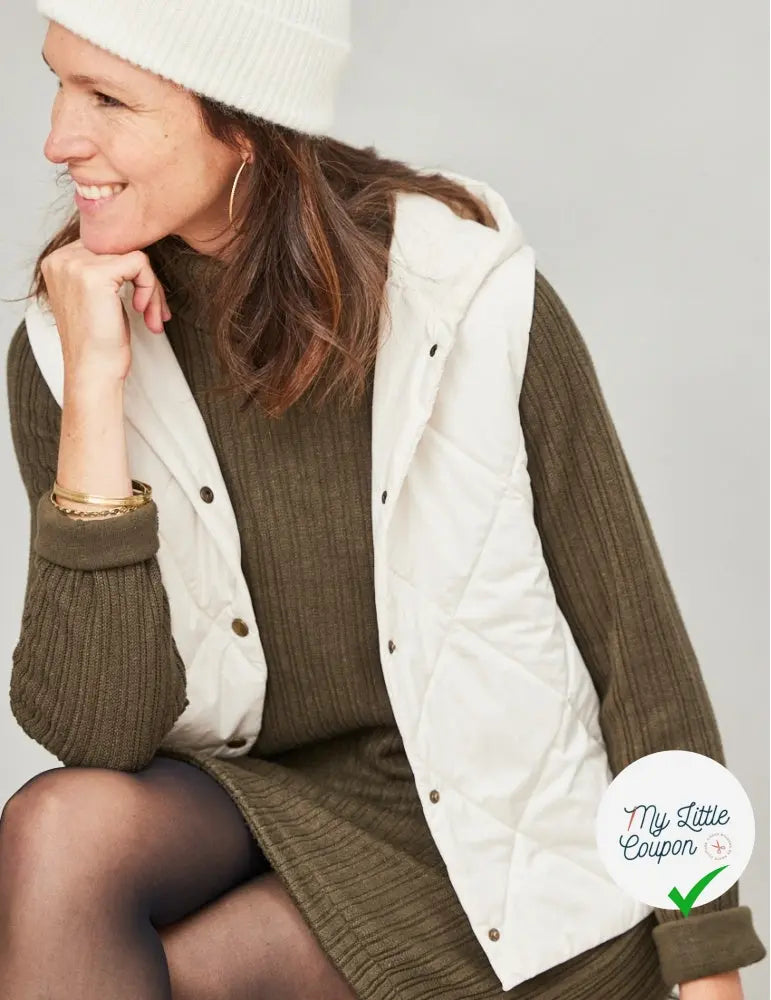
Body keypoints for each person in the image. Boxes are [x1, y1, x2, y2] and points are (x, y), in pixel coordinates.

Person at [1, 3, 765, 999]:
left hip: (493, 854)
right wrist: (96, 392)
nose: (59, 139)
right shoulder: (70, 344)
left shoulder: (462, 296)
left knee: (186, 975)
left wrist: (705, 958)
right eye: (59, 83)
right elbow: (98, 734)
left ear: (243, 120)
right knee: (61, 828)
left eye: (108, 98)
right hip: (265, 811)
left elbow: (638, 657)